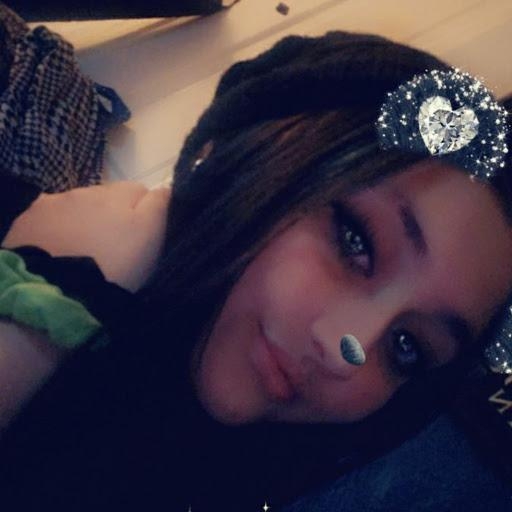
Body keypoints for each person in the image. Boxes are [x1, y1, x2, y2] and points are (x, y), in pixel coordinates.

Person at [0, 2, 511, 510]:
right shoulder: (49, 256)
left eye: (407, 347)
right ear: (266, 149)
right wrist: (37, 314)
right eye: (356, 240)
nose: (347, 351)